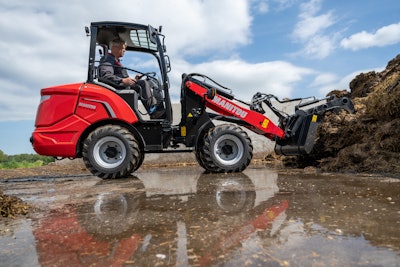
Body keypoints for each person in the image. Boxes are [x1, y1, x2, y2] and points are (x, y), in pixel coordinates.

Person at [98, 38, 164, 119]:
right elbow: (106, 75)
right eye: (122, 48)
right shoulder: (108, 59)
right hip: (117, 88)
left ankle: (155, 107)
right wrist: (123, 80)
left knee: (149, 82)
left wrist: (134, 79)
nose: (124, 50)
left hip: (121, 85)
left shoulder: (115, 60)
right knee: (143, 83)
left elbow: (120, 76)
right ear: (114, 48)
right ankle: (153, 111)